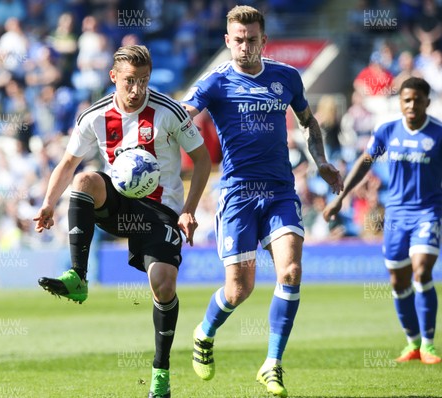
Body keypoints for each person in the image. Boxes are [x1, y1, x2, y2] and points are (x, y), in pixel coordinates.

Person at [180, 5, 343, 397]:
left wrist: (320, 162)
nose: (245, 46)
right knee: (239, 290)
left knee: (289, 272)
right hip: (236, 194)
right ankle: (204, 334)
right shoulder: (215, 83)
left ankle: (272, 363)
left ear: (263, 40)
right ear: (227, 41)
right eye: (238, 39)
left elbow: (308, 121)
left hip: (280, 192)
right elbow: (181, 118)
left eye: (252, 39)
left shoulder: (286, 77)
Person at [34, 45, 211, 398]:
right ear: (113, 76)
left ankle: (161, 373)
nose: (137, 89)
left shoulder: (169, 112)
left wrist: (189, 209)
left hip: (161, 210)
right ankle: (78, 277)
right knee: (85, 179)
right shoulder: (94, 116)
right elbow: (68, 164)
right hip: (119, 205)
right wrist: (48, 203)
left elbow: (202, 160)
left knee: (163, 284)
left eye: (143, 81)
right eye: (130, 81)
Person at [323, 77, 441, 365]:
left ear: (427, 101)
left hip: (428, 212)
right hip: (396, 216)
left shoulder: (438, 134)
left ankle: (429, 344)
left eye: (416, 99)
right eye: (406, 99)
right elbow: (365, 162)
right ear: (400, 103)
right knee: (398, 281)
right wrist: (341, 196)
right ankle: (412, 342)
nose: (411, 104)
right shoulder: (388, 131)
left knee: (422, 270)